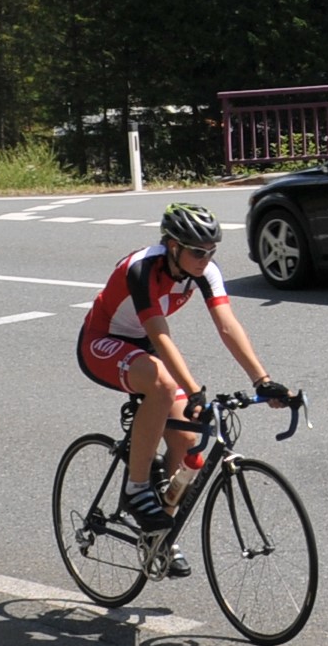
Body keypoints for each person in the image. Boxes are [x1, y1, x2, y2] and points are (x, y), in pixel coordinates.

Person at [77, 203, 287, 574]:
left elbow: (227, 326)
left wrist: (263, 381)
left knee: (188, 440)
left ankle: (159, 536)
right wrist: (193, 391)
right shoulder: (143, 268)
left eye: (212, 251)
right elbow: (160, 335)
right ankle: (136, 488)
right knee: (162, 383)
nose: (206, 259)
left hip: (143, 348)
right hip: (102, 341)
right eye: (198, 252)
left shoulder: (204, 272)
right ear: (173, 246)